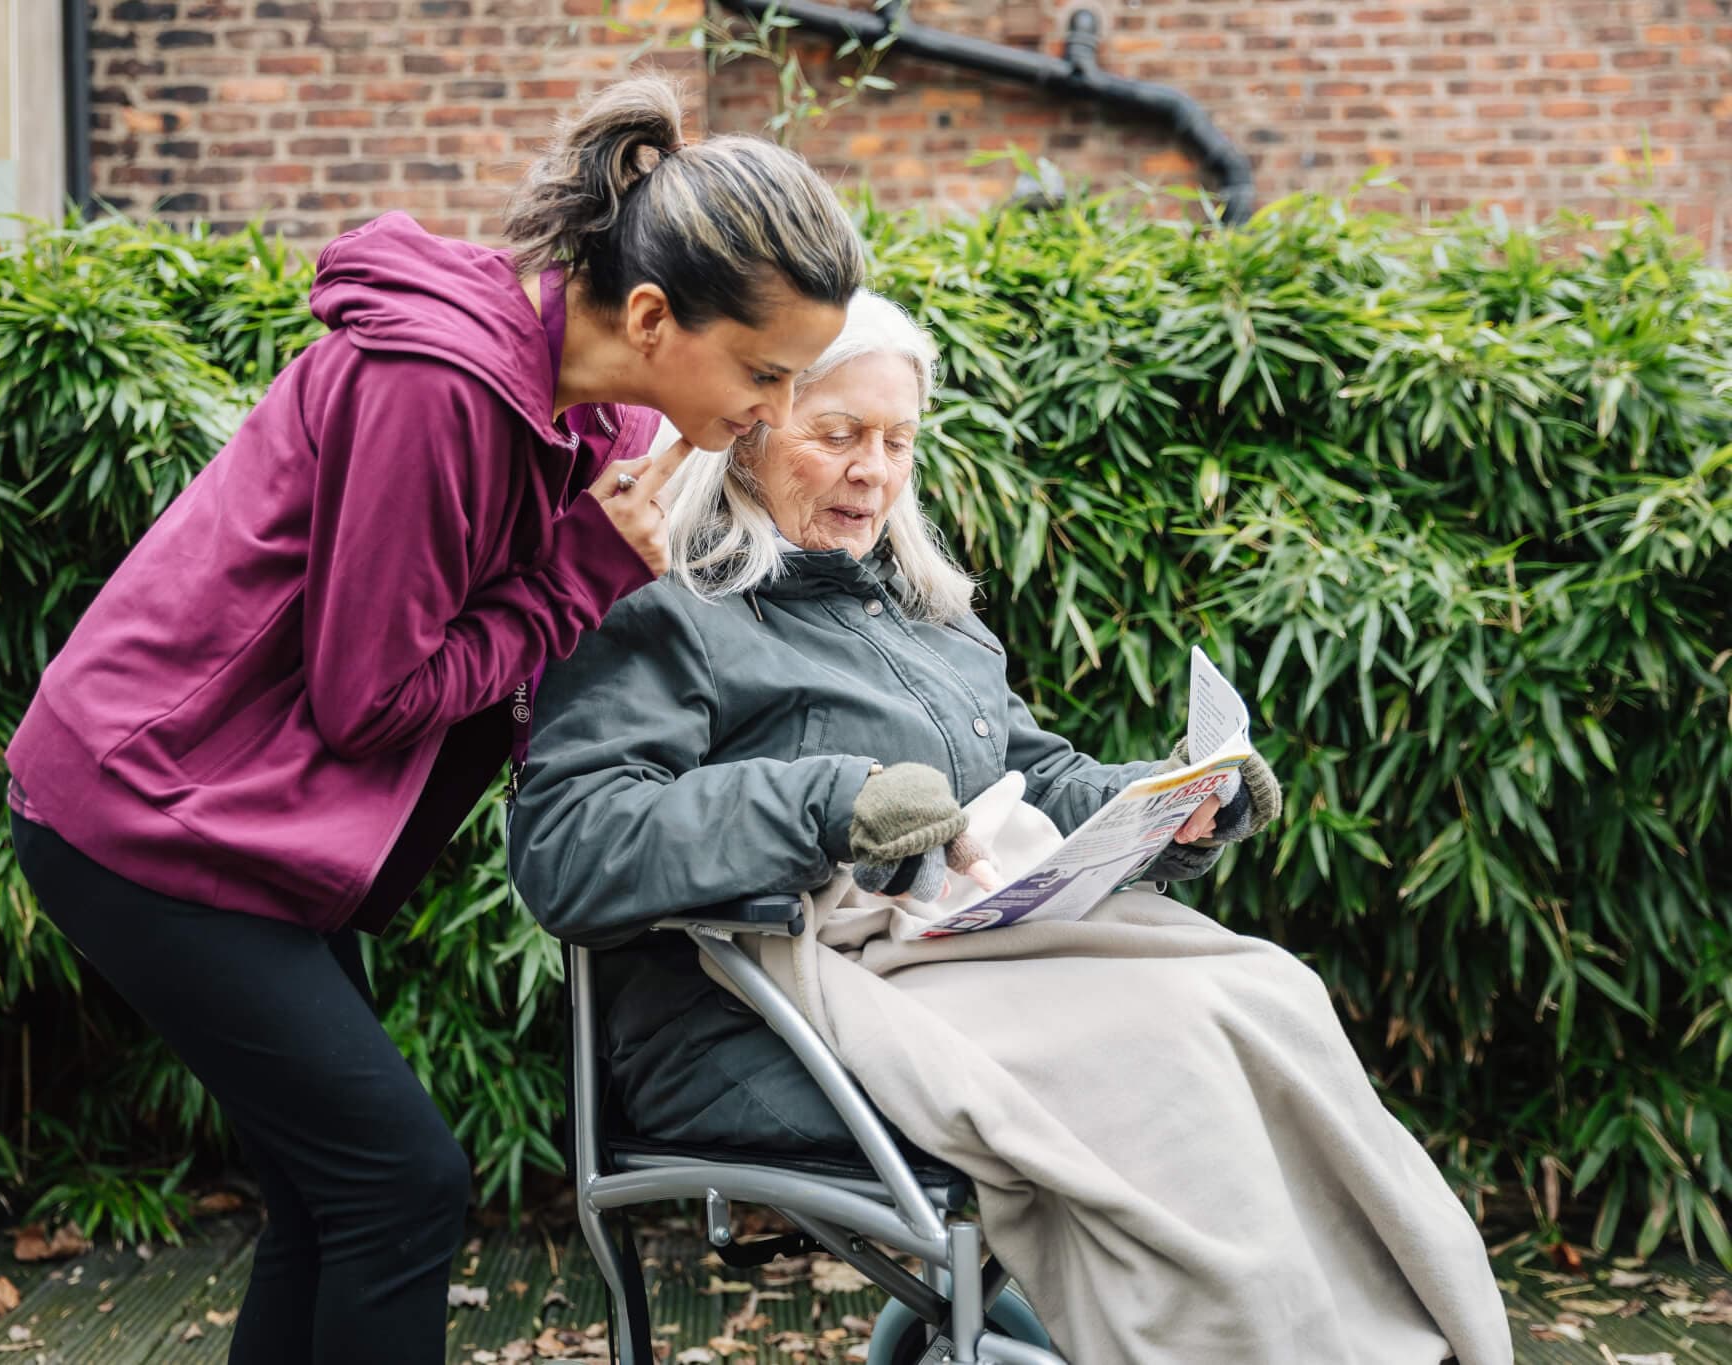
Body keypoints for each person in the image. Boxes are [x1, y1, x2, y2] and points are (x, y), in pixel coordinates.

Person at [3, 74, 863, 1365]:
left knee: (335, 1196)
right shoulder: (439, 387)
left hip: (237, 820)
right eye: (763, 371)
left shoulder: (601, 419)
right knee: (398, 1184)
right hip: (147, 808)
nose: (772, 410)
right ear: (649, 313)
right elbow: (370, 701)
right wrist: (583, 570)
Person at [508, 290, 1513, 1364]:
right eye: (837, 434)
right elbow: (570, 843)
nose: (873, 472)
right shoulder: (661, 606)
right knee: (1158, 1048)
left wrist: (1172, 804)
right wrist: (830, 803)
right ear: (740, 431)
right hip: (745, 1013)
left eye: (897, 441)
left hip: (954, 962)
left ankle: (1364, 1340)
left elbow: (1027, 780)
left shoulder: (916, 612)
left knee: (1262, 993)